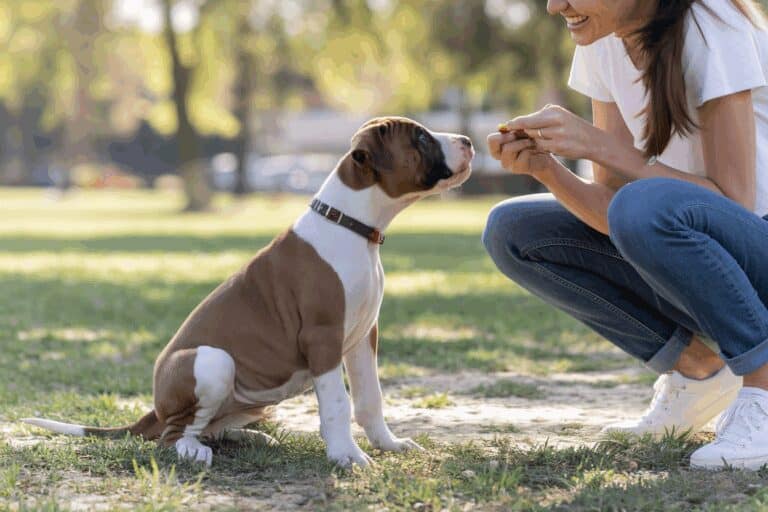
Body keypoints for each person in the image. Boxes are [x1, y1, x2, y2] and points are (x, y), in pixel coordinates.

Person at [483, 0, 768, 470]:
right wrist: (547, 170)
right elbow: (613, 211)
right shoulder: (602, 36)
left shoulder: (713, 23)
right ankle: (698, 373)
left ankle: (763, 384)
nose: (555, 6)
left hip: (755, 245)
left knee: (642, 204)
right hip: (700, 253)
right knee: (513, 230)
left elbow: (733, 205)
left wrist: (602, 147)